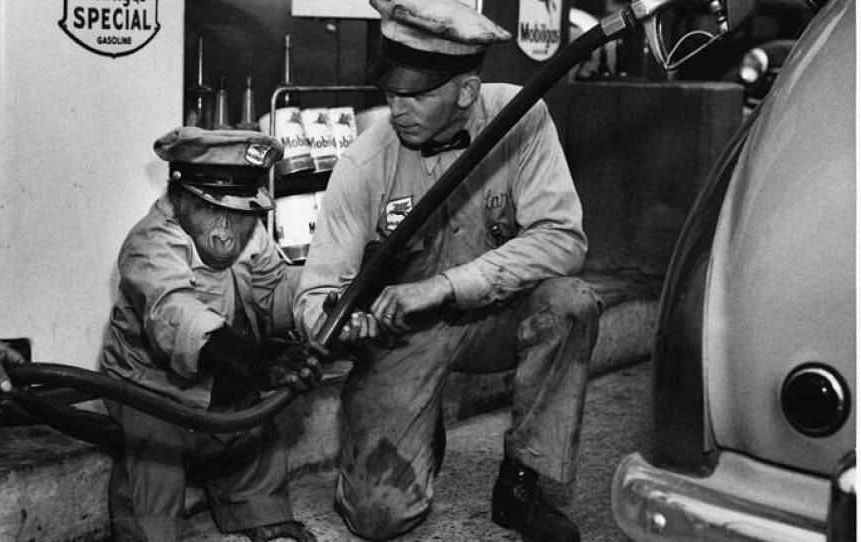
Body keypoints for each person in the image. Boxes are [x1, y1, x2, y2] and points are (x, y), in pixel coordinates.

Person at [294, 1, 602, 541]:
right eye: (391, 92)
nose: (397, 108)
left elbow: (563, 239)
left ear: (465, 91)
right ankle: (419, 424)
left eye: (416, 93)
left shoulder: (520, 117)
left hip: (496, 316)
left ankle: (522, 484)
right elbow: (316, 290)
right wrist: (341, 319)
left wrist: (445, 286)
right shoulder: (365, 163)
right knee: (377, 519)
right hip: (406, 338)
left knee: (569, 304)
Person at [99, 127, 321, 542]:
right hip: (149, 385)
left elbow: (277, 297)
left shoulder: (252, 235)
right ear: (178, 196)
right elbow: (176, 314)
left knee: (252, 428)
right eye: (211, 210)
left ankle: (259, 511)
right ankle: (149, 532)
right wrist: (258, 365)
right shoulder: (152, 241)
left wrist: (324, 300)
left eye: (239, 213)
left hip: (221, 377)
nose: (225, 231)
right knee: (153, 450)